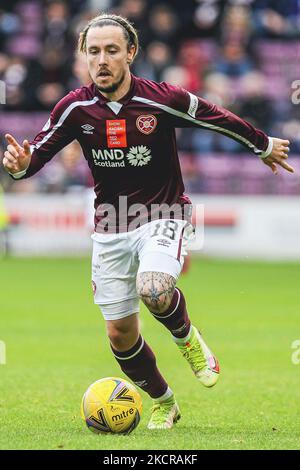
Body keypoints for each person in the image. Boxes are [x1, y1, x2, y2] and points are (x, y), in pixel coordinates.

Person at [2, 13, 294, 430]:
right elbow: (35, 158)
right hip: (110, 225)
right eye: (93, 51)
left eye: (111, 50)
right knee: (120, 334)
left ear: (131, 53)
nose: (101, 59)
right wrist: (19, 165)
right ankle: (164, 401)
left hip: (164, 212)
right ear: (84, 55)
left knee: (154, 289)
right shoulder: (74, 107)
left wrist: (262, 144)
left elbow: (214, 115)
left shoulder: (162, 98)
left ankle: (187, 339)